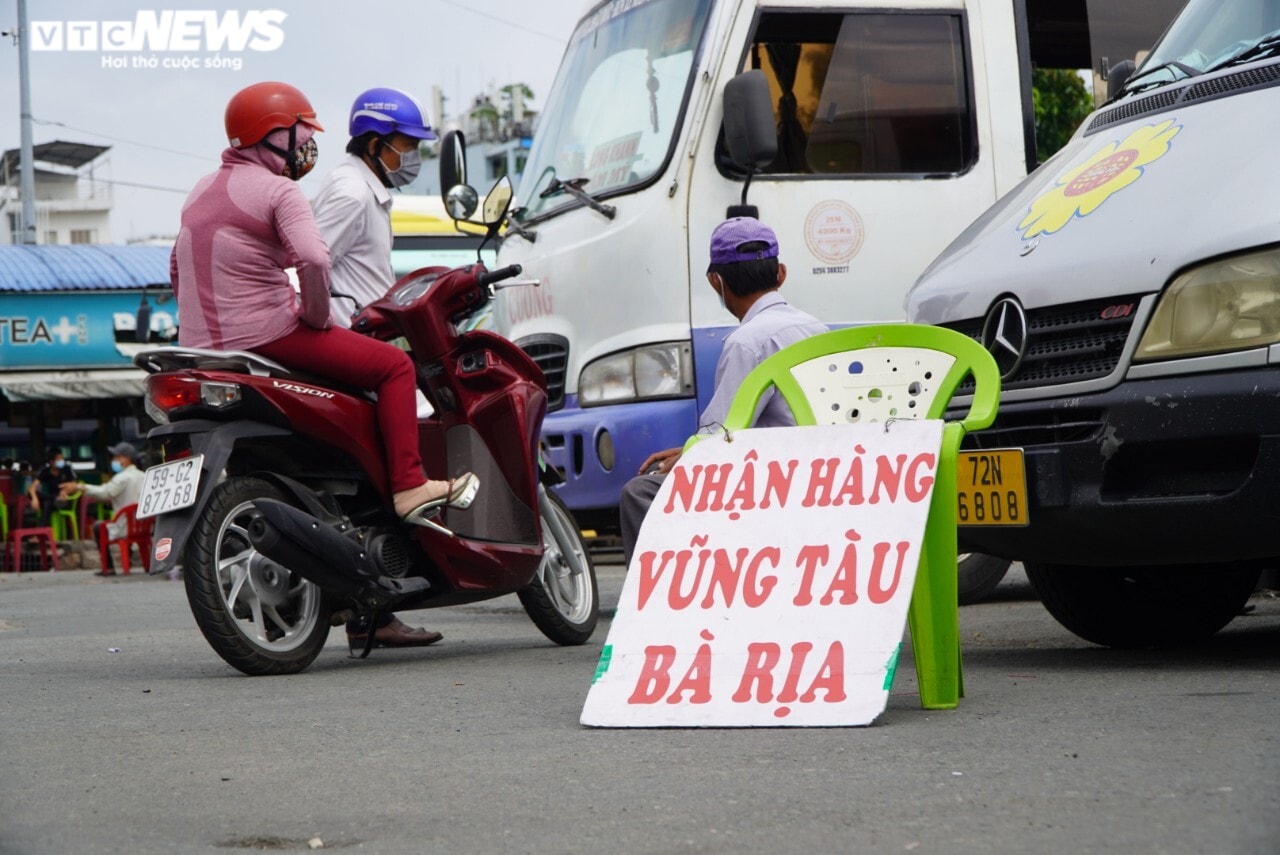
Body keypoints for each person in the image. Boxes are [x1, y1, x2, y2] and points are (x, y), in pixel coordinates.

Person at [170, 81, 477, 535]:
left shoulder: (201, 189)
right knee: (394, 367)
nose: (310, 145)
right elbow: (314, 258)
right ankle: (410, 485)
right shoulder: (279, 191)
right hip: (268, 334)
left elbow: (177, 265)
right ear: (273, 133)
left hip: (199, 350)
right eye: (304, 134)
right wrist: (314, 318)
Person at [310, 86, 446, 649]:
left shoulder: (370, 190)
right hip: (351, 344)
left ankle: (376, 609)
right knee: (401, 447)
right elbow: (310, 261)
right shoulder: (349, 192)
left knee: (373, 469)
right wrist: (332, 323)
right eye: (405, 145)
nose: (411, 155)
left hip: (365, 333)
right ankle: (412, 493)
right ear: (374, 143)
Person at [619, 217, 827, 565]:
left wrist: (691, 453)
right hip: (824, 474)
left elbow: (721, 438)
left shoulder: (747, 342)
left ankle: (662, 607)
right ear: (781, 274)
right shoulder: (817, 329)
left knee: (640, 492)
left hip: (771, 482)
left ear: (716, 281)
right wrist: (687, 448)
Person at [61, 442, 146, 576]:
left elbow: (105, 492)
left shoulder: (121, 478)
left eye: (117, 457)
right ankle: (127, 560)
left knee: (98, 526)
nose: (114, 460)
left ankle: (109, 567)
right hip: (143, 526)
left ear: (126, 459)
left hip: (125, 526)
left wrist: (81, 487)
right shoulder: (144, 476)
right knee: (121, 523)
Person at [27, 447, 77, 526]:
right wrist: (34, 498)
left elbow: (74, 486)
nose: (61, 461)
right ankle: (43, 532)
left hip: (64, 499)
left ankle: (41, 532)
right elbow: (32, 487)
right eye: (59, 459)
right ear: (51, 462)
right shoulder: (45, 471)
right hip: (51, 497)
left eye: (62, 459)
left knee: (47, 503)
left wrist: (65, 491)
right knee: (42, 498)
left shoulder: (67, 469)